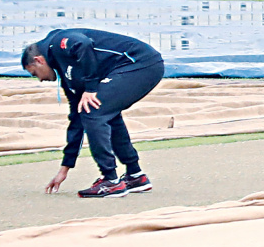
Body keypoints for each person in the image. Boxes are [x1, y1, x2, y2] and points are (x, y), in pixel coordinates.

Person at [22, 28, 164, 198]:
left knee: (93, 111)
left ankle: (111, 181)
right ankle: (135, 176)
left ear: (38, 60)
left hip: (140, 62)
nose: (40, 79)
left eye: (35, 73)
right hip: (133, 67)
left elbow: (82, 43)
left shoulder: (58, 42)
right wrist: (65, 168)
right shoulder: (65, 72)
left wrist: (90, 88)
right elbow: (76, 118)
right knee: (99, 110)